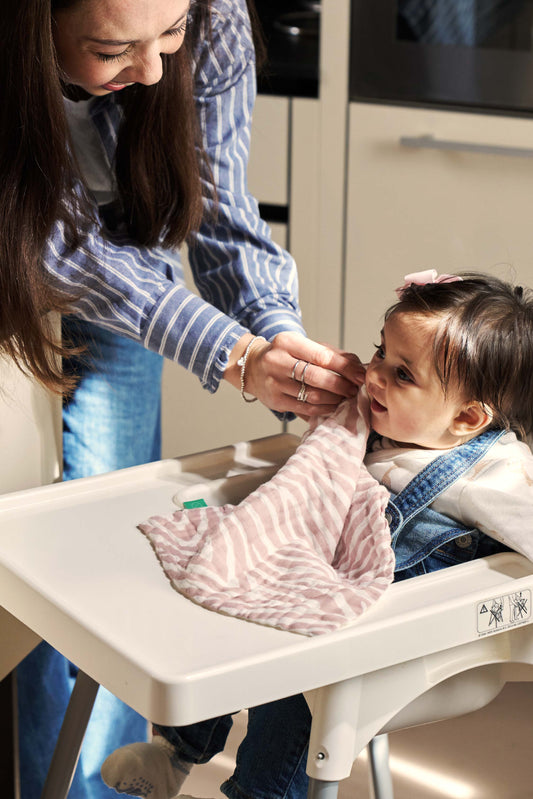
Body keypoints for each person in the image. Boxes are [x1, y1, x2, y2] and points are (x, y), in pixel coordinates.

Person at [3, 0, 363, 796]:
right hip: (16, 256)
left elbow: (224, 216)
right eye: (112, 48)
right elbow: (51, 240)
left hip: (129, 276)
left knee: (98, 567)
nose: (155, 70)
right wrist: (232, 352)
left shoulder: (216, 17)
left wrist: (274, 339)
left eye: (171, 34)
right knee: (27, 573)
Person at [101, 270, 533, 799]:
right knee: (232, 608)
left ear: (467, 417)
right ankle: (178, 751)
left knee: (292, 696)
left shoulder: (490, 477)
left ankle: (256, 793)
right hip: (327, 582)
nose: (374, 377)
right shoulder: (378, 421)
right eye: (380, 353)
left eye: (402, 375)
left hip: (391, 638)